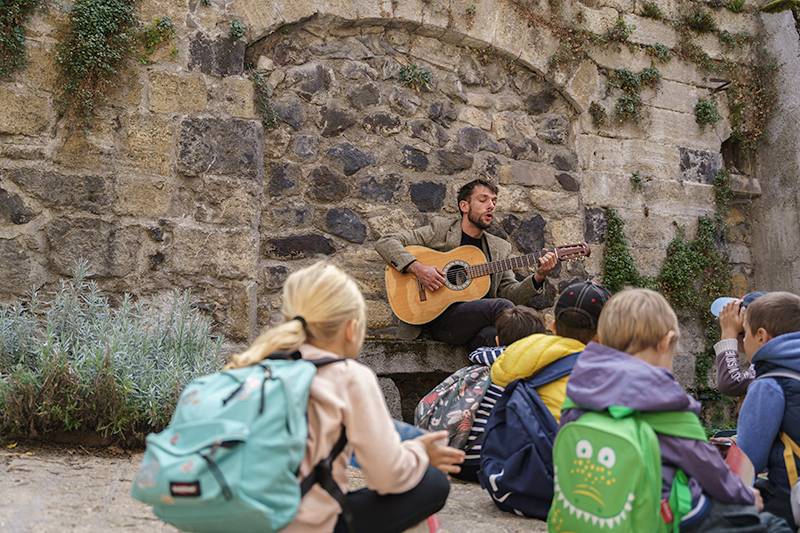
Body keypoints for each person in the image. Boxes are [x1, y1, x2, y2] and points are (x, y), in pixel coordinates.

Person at [225, 262, 465, 533]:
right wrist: (420, 453)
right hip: (299, 525)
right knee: (433, 482)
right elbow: (388, 478)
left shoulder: (251, 366)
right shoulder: (349, 375)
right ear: (351, 329)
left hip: (234, 518)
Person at [561, 288, 791, 533]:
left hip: (589, 513)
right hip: (654, 516)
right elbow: (708, 470)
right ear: (666, 341)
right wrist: (744, 495)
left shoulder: (578, 391)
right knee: (772, 525)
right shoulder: (665, 404)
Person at [375, 178, 557, 351]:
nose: (491, 205)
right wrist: (419, 269)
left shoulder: (499, 248)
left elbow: (510, 294)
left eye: (494, 201)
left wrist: (539, 276)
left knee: (492, 336)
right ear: (464, 206)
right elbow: (386, 242)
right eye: (483, 200)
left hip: (472, 325)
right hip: (437, 321)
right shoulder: (441, 230)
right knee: (501, 307)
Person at [454, 305, 547, 481]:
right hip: (494, 462)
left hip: (461, 460)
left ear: (497, 341)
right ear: (538, 341)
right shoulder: (536, 371)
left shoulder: (481, 364)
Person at [736, 292, 800, 531]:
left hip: (788, 502)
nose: (743, 341)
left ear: (761, 336)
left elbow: (748, 461)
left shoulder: (768, 385)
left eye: (744, 332)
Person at [712, 292, 768, 397]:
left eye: (742, 330)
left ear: (761, 336)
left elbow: (731, 383)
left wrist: (728, 336)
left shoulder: (772, 367)